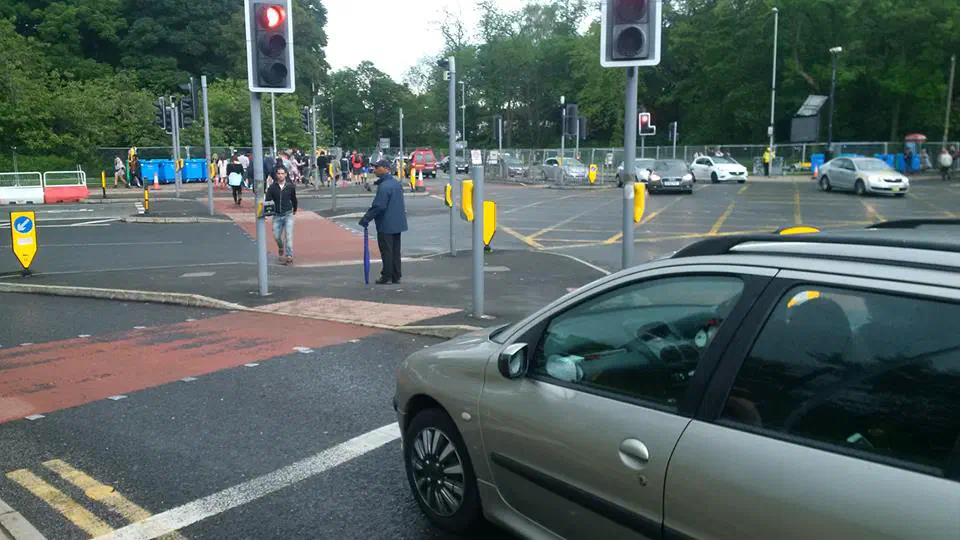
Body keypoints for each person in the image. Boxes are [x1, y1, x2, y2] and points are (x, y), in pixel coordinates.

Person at [359, 159, 408, 285]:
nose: (375, 170)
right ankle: (396, 275)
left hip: (386, 223)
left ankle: (386, 276)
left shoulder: (385, 186)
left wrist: (365, 219)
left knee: (386, 250)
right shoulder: (396, 183)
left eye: (377, 167)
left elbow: (379, 206)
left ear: (385, 168)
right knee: (395, 250)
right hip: (398, 222)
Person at [266, 165, 298, 264]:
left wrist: (295, 208)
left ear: (286, 174)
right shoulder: (272, 187)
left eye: (282, 173)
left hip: (288, 214)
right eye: (278, 173)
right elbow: (268, 201)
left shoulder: (290, 187)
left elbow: (293, 198)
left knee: (288, 235)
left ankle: (289, 255)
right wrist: (266, 214)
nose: (280, 175)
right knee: (276, 236)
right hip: (277, 215)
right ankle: (280, 247)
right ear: (276, 175)